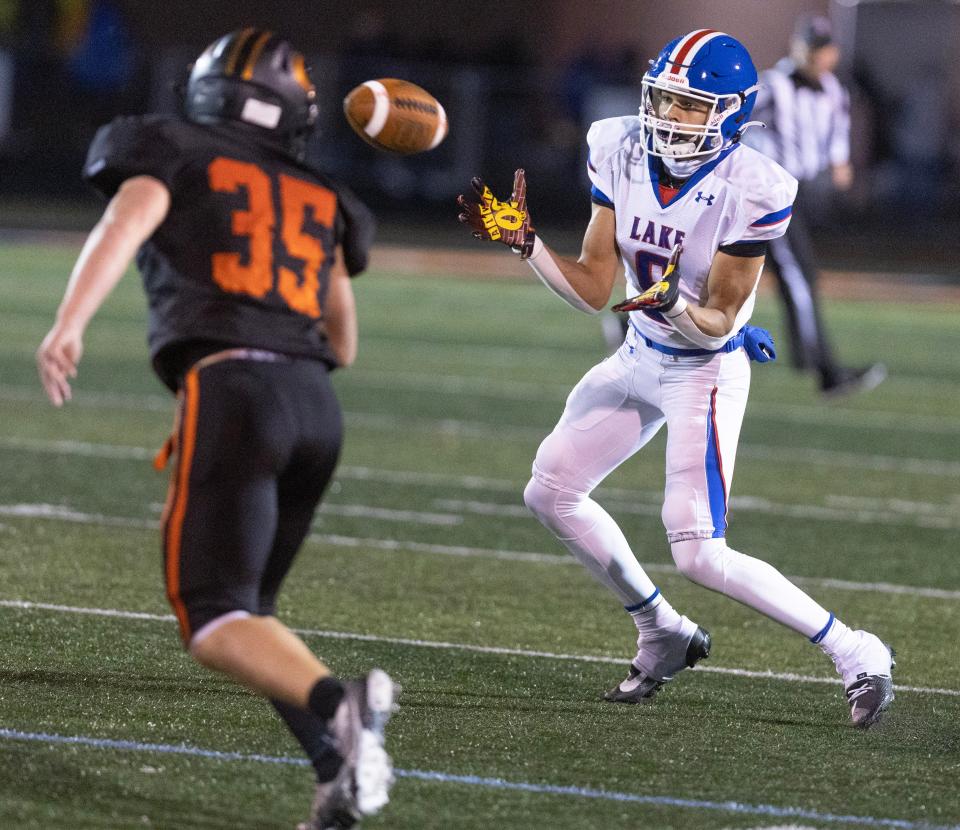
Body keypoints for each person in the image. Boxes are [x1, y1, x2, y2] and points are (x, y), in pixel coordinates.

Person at [458, 30, 894, 728]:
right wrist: (530, 247)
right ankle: (662, 631)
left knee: (697, 551)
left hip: (704, 370)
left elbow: (721, 317)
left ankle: (857, 649)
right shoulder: (620, 146)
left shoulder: (753, 184)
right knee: (550, 489)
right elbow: (597, 284)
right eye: (662, 96)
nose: (668, 114)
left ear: (728, 114)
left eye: (688, 105)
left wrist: (675, 306)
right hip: (639, 354)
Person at [36, 29, 397, 829]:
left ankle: (343, 709)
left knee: (212, 617)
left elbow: (126, 223)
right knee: (253, 613)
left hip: (235, 389)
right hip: (314, 405)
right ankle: (333, 772)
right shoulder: (320, 192)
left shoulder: (172, 148)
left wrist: (69, 325)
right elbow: (344, 342)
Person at [743, 14, 886, 397]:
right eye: (810, 48)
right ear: (797, 48)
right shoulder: (773, 84)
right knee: (798, 276)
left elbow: (837, 132)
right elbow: (735, 117)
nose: (816, 57)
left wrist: (840, 164)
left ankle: (634, 326)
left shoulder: (834, 90)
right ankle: (826, 369)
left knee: (719, 269)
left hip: (797, 190)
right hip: (766, 192)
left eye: (822, 50)